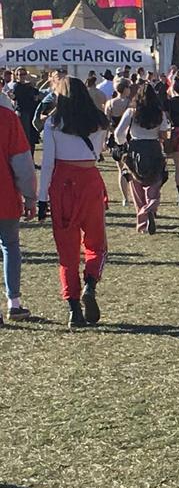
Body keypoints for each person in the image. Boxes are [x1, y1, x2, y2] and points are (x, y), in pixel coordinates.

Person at [35, 78, 111, 328]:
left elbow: (48, 164)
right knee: (96, 244)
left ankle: (73, 307)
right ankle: (91, 282)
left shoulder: (53, 124)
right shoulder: (99, 122)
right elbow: (97, 152)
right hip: (89, 180)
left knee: (67, 252)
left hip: (62, 185)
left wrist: (42, 200)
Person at [113, 84, 171, 234]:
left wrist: (123, 144)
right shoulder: (160, 114)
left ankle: (142, 224)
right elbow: (164, 135)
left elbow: (118, 133)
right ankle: (151, 205)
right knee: (154, 184)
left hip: (135, 148)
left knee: (136, 187)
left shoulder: (131, 112)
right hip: (154, 148)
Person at [0, 103, 35, 323]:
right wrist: (30, 195)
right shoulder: (7, 118)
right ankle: (14, 303)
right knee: (10, 246)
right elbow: (22, 161)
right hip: (4, 194)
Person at [105, 79, 134, 207]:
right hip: (128, 138)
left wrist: (106, 139)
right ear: (126, 89)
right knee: (131, 169)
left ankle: (125, 198)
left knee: (120, 169)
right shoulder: (129, 104)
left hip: (114, 138)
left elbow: (106, 123)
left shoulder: (110, 103)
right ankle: (133, 195)